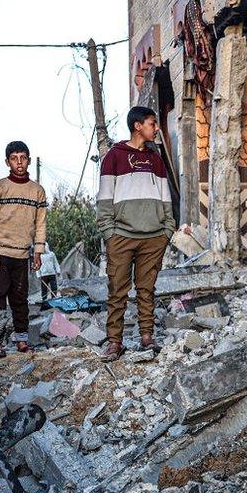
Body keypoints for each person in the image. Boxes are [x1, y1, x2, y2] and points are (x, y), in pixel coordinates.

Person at [96, 106, 176, 362]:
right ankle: (114, 342)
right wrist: (109, 232)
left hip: (154, 237)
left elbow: (166, 198)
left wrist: (167, 230)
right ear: (138, 126)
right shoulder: (114, 157)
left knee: (146, 289)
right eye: (153, 123)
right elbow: (105, 198)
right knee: (117, 290)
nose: (156, 128)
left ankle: (146, 336)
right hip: (121, 236)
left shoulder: (156, 160)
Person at [0, 140, 47, 355]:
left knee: (20, 299)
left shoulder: (37, 191)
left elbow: (40, 224)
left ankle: (21, 340)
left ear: (28, 160)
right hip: (0, 253)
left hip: (22, 254)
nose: (19, 162)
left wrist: (37, 252)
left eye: (23, 158)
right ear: (7, 162)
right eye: (14, 158)